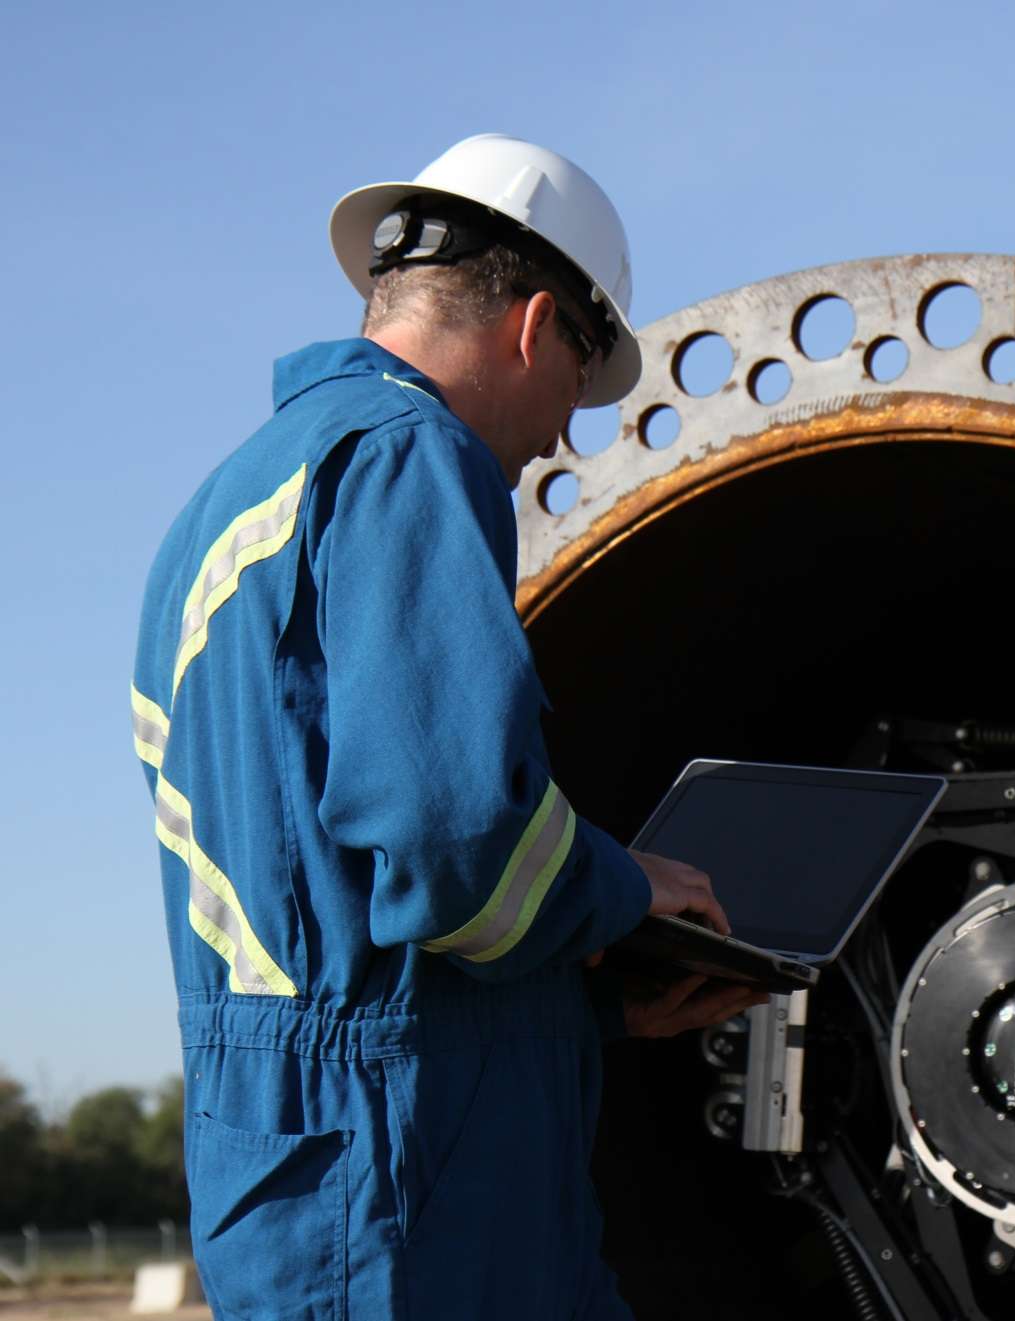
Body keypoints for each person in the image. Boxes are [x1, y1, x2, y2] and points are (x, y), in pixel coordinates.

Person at [129, 134, 759, 1319]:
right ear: (534, 327)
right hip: (414, 1186)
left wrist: (595, 1006)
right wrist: (628, 890)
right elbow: (452, 842)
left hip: (301, 1159)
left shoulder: (232, 501)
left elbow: (335, 909)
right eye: (578, 386)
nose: (561, 440)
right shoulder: (412, 454)